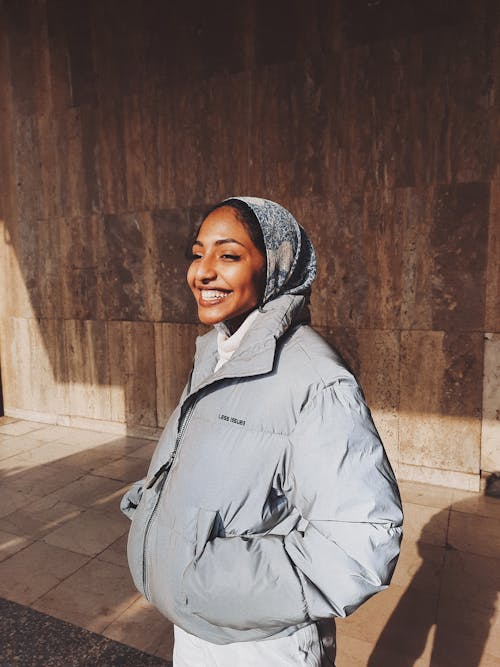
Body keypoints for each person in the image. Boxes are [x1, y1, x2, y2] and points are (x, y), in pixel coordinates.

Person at [121, 196, 403, 666]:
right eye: (197, 253)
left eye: (227, 255)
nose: (202, 272)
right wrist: (157, 504)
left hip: (261, 646)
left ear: (276, 265)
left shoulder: (314, 379)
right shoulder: (218, 353)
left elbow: (361, 547)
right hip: (196, 630)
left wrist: (207, 578)